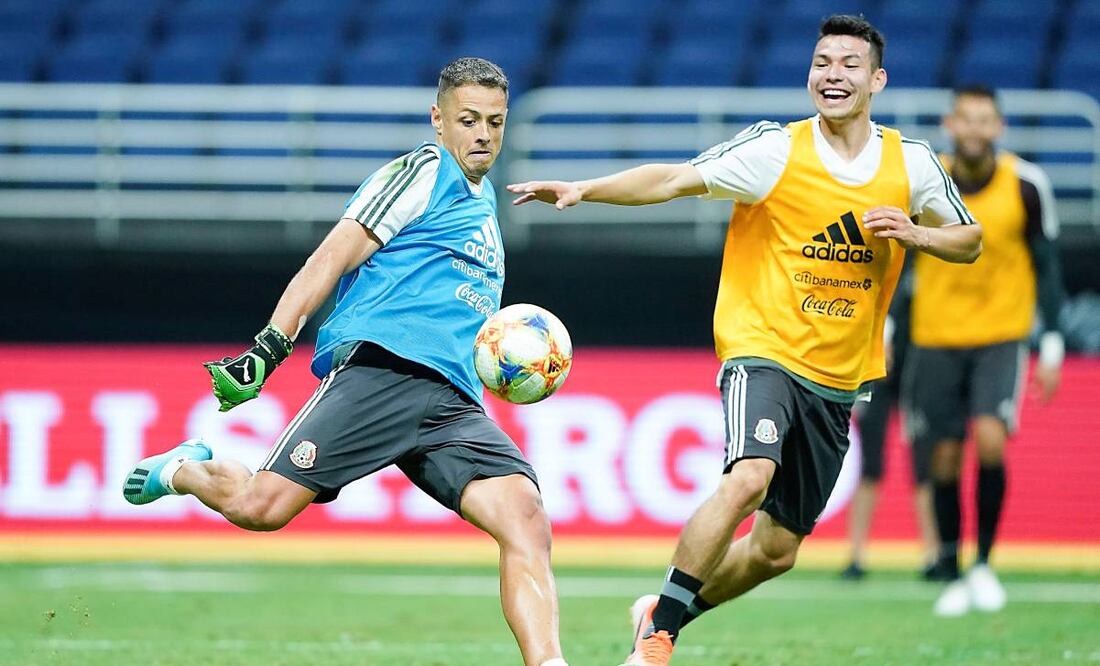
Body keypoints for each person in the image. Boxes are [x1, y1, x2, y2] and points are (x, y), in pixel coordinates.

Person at [508, 15, 982, 666]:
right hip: (761, 350)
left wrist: (918, 234)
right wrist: (584, 189)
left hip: (838, 377)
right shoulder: (776, 151)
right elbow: (673, 179)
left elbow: (969, 237)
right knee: (748, 476)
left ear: (877, 80)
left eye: (848, 64)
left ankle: (664, 608)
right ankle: (657, 640)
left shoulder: (913, 164)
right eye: (821, 62)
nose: (831, 74)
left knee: (775, 552)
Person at [122, 57, 569, 666]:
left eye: (495, 121)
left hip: (455, 401)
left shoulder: (485, 201)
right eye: (469, 120)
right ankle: (184, 469)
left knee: (526, 520)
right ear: (439, 120)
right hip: (383, 371)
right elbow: (329, 259)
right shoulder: (421, 171)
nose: (483, 134)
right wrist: (269, 348)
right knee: (261, 509)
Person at [906, 85, 1066, 617]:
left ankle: (984, 564)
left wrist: (1051, 338)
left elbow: (1047, 264)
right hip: (935, 336)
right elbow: (896, 256)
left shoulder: (1025, 184)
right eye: (965, 119)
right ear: (951, 124)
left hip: (1001, 335)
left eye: (985, 120)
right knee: (945, 456)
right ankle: (951, 567)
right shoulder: (926, 178)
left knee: (992, 441)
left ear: (998, 127)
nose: (974, 129)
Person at [839, 257, 940, 581]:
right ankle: (855, 554)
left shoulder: (929, 249)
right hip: (876, 366)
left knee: (925, 464)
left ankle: (934, 553)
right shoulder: (885, 248)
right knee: (870, 463)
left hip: (919, 363)